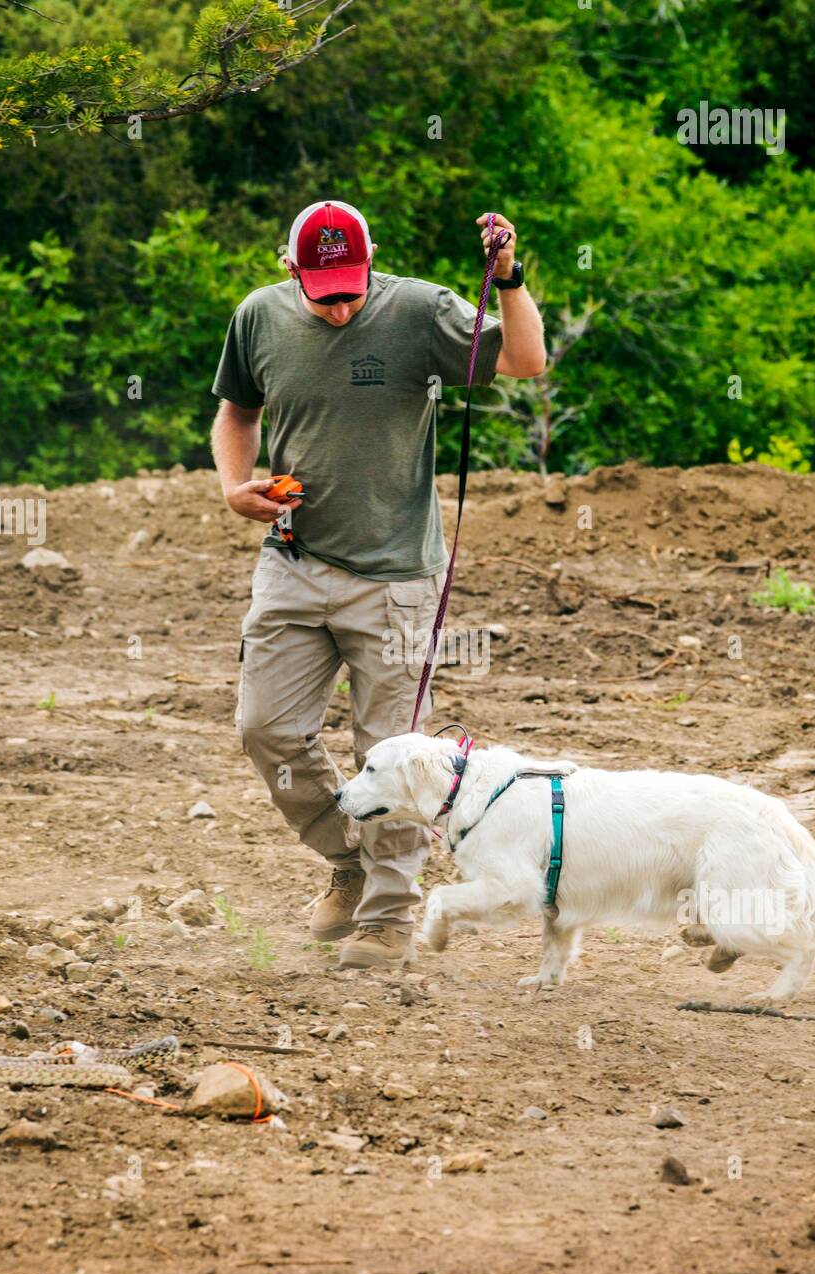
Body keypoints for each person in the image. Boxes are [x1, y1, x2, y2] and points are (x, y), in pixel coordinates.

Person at [210, 199, 546, 969]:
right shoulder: (258, 317)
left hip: (395, 578)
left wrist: (510, 279)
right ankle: (349, 862)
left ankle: (389, 917)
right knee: (266, 728)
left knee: (391, 754)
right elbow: (236, 413)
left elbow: (526, 361)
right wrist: (235, 486)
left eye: (351, 290)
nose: (339, 305)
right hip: (292, 561)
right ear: (290, 269)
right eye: (323, 291)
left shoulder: (420, 310)